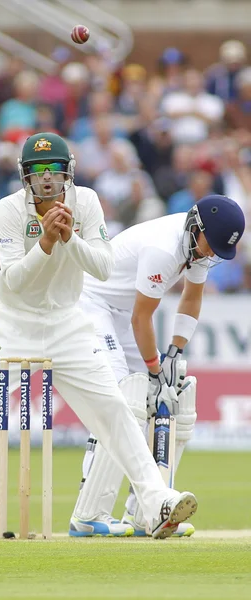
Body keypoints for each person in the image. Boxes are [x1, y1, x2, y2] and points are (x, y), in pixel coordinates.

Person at [0, 132, 198, 540]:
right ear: (25, 176)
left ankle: (157, 502)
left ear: (69, 172)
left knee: (114, 408)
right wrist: (45, 241)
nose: (47, 178)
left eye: (54, 170)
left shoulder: (88, 202)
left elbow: (102, 266)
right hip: (12, 323)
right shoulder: (8, 209)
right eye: (37, 171)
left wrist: (69, 238)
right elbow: (10, 284)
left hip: (67, 322)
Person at [68, 194, 245, 537]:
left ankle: (147, 512)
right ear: (197, 227)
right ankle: (88, 514)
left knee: (160, 396)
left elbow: (192, 298)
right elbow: (142, 316)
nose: (211, 254)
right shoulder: (164, 249)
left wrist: (175, 352)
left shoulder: (198, 245)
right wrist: (154, 368)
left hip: (123, 312)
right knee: (123, 398)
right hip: (93, 303)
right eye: (211, 245)